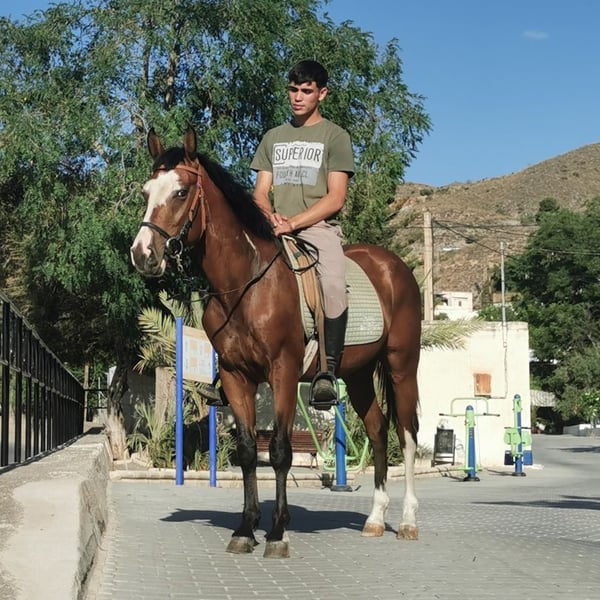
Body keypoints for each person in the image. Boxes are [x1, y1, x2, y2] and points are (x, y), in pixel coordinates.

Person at [251, 59, 355, 406]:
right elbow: (260, 192)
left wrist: (294, 223)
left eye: (306, 91)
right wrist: (270, 216)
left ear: (322, 94)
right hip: (274, 227)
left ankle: (328, 372)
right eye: (293, 90)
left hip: (316, 228)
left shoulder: (335, 137)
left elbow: (336, 198)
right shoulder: (273, 138)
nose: (298, 97)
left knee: (333, 284)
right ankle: (230, 364)